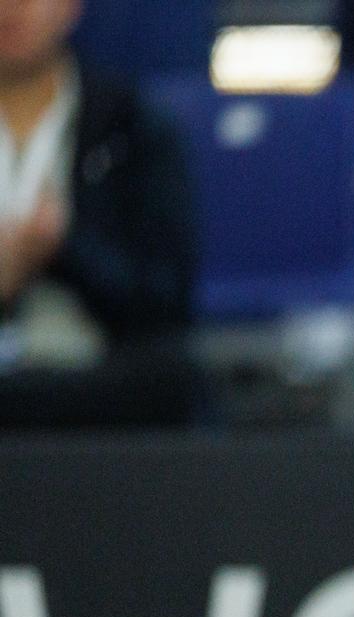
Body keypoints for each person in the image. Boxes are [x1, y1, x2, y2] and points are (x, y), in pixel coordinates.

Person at [0, 0, 204, 428]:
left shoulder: (132, 125)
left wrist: (62, 248)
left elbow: (164, 300)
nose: (12, 7)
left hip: (95, 371)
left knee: (170, 374)